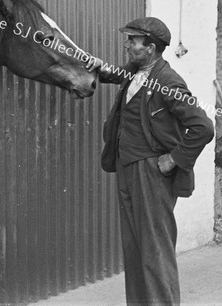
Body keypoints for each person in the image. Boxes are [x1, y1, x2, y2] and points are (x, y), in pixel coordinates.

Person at [87, 17, 214, 306]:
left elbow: (203, 127)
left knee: (155, 251)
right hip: (127, 167)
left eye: (133, 41)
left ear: (151, 48)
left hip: (151, 174)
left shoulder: (168, 81)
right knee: (135, 249)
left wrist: (174, 159)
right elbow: (116, 73)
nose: (127, 44)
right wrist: (97, 66)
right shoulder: (136, 71)